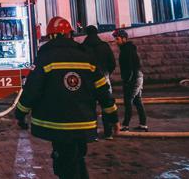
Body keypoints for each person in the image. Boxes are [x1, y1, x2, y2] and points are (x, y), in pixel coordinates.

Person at [15, 17, 119, 179]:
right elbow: (103, 90)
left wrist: (20, 113)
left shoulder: (45, 58)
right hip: (84, 123)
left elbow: (32, 90)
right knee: (78, 160)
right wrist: (113, 117)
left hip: (59, 126)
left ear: (51, 37)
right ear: (69, 34)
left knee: (66, 165)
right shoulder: (86, 57)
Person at [82, 25, 117, 139]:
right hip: (104, 77)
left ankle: (93, 133)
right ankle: (108, 132)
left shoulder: (83, 47)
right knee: (106, 104)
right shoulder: (104, 46)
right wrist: (106, 73)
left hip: (88, 80)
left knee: (90, 106)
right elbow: (112, 63)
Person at [113, 28, 148, 131]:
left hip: (134, 78)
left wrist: (128, 81)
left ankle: (125, 125)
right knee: (137, 101)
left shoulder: (126, 50)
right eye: (115, 39)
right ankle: (143, 125)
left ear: (124, 39)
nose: (116, 41)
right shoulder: (127, 48)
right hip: (137, 77)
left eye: (117, 39)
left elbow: (130, 67)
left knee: (128, 101)